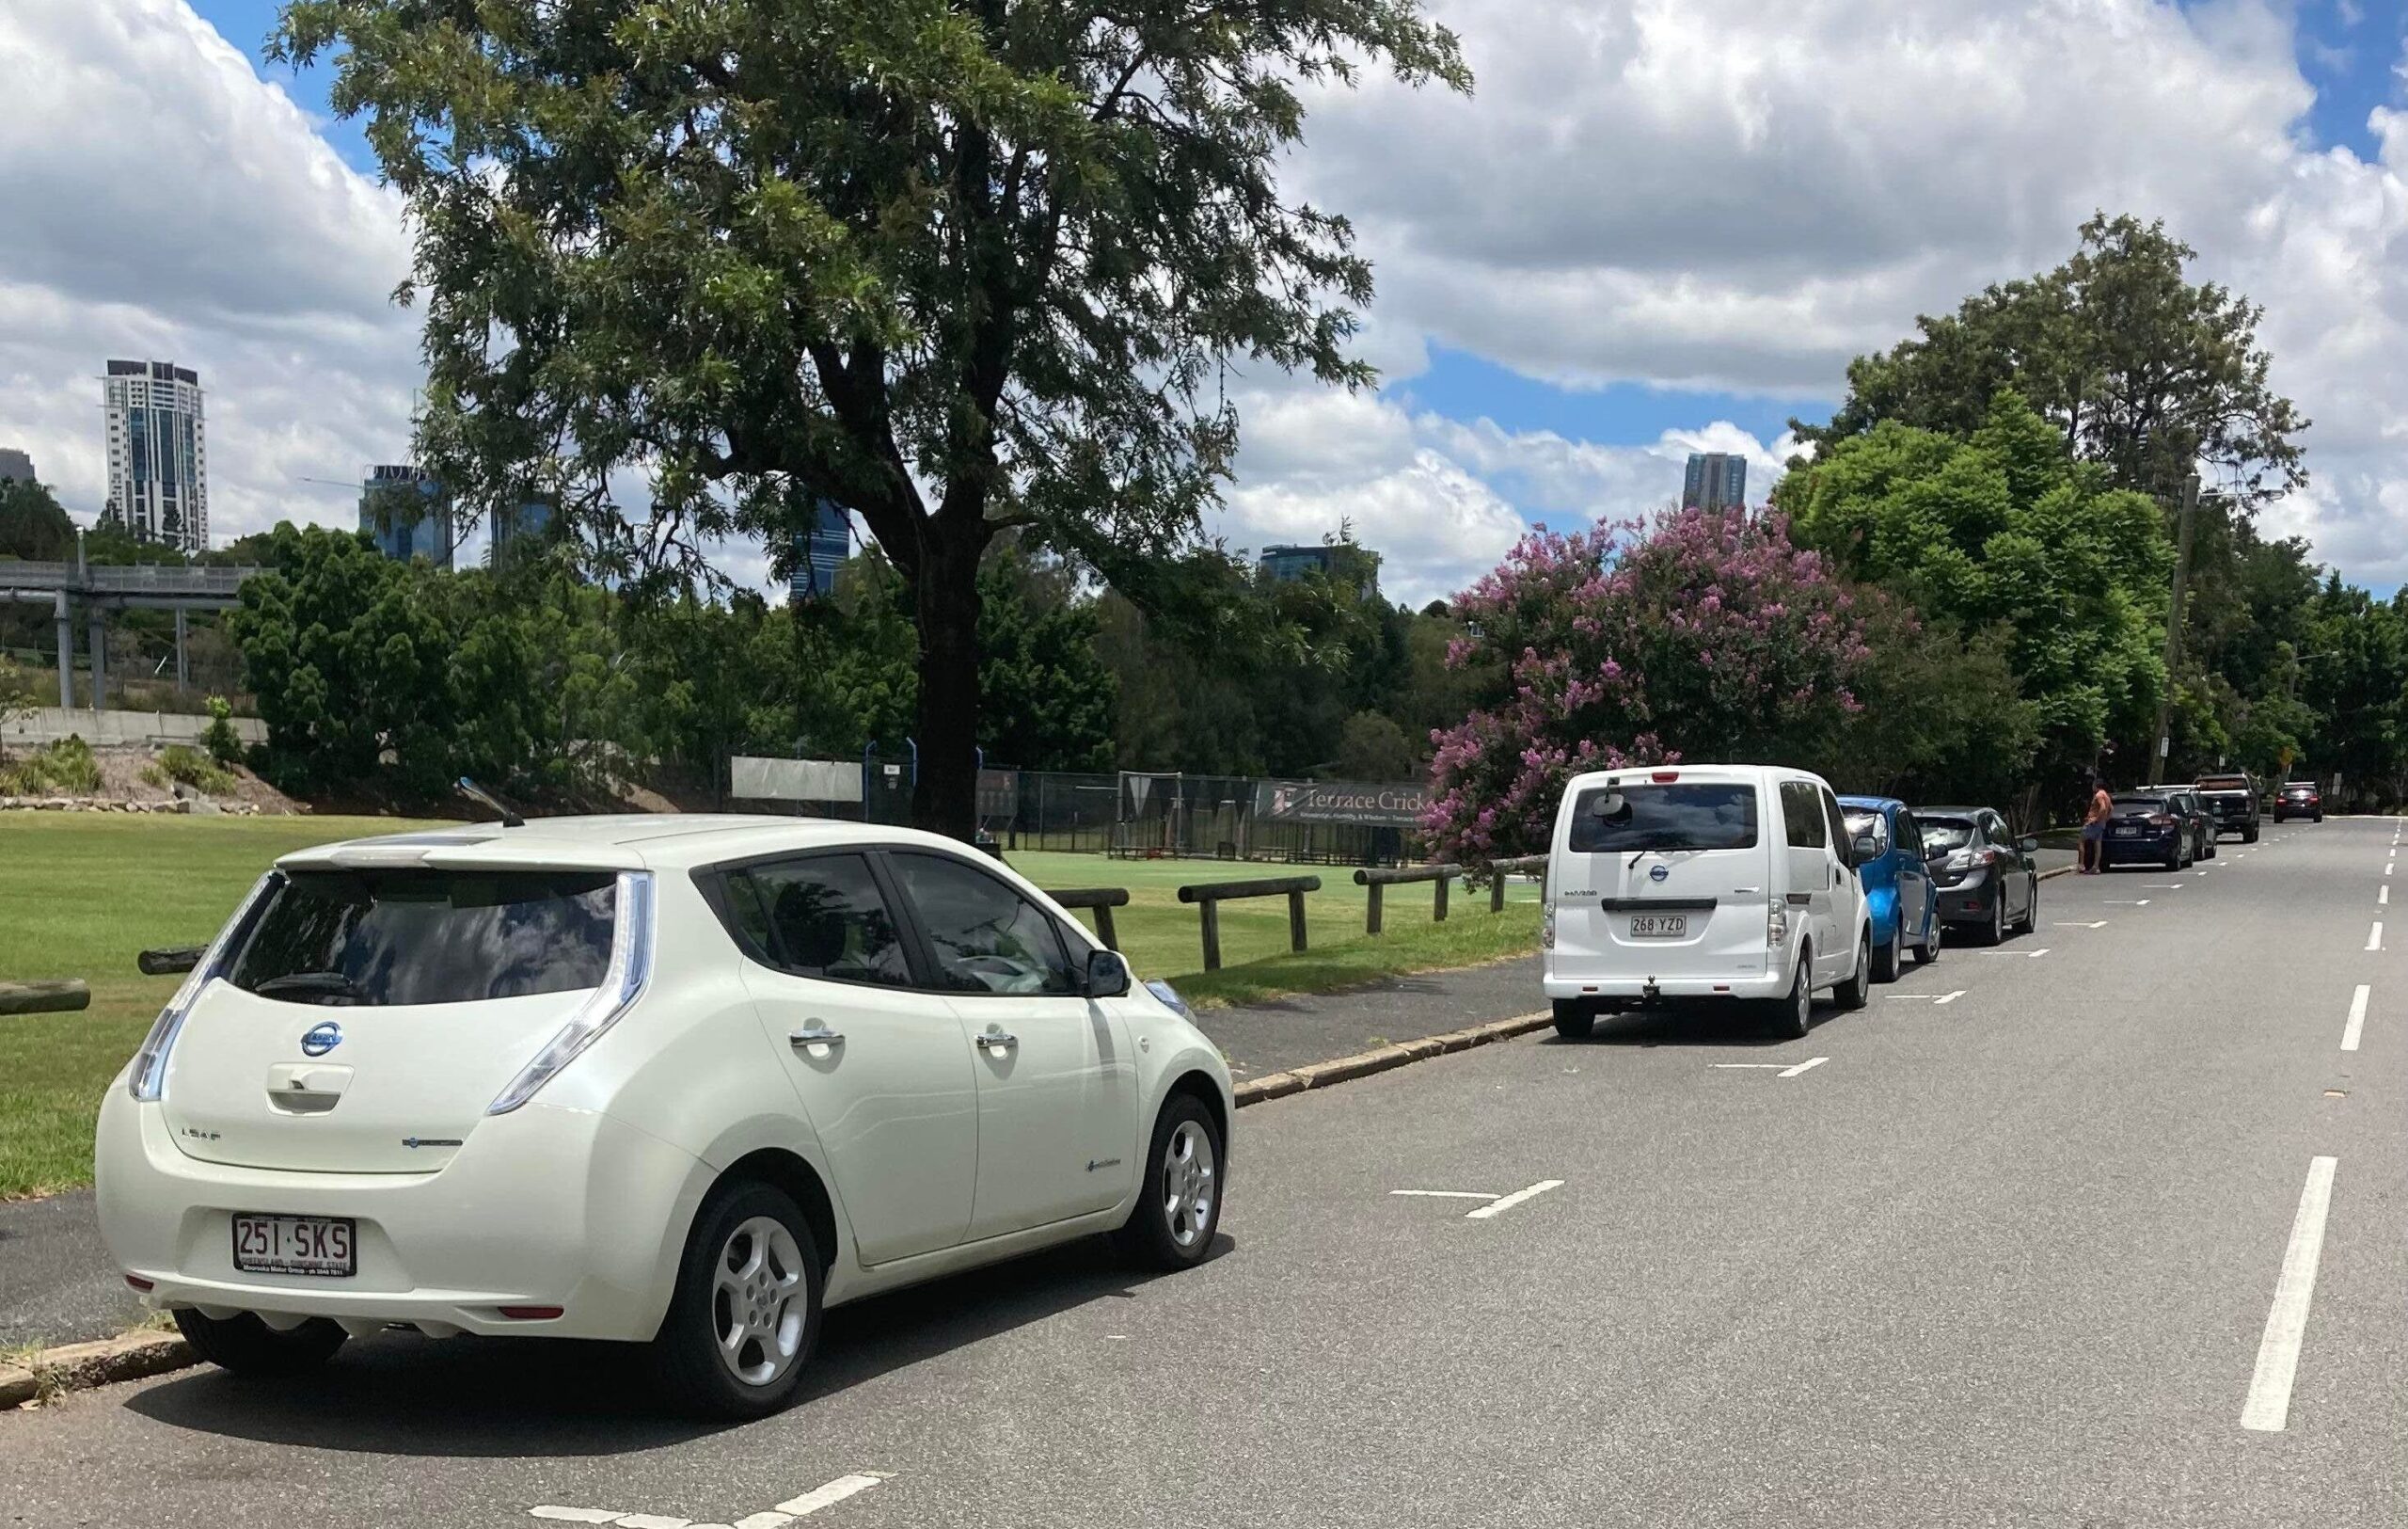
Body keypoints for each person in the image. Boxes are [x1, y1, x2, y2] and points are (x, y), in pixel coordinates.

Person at [2080, 776, 2113, 873]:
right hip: (2102, 823)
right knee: (2097, 844)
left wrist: (2096, 819)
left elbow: (2102, 808)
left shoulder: (2098, 795)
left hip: (2094, 822)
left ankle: (2081, 864)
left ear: (2096, 786)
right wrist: (2105, 819)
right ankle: (2096, 866)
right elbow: (2111, 808)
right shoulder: (2106, 795)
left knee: (2081, 840)